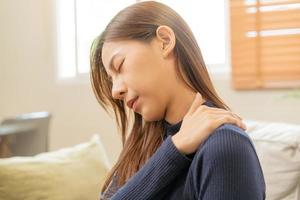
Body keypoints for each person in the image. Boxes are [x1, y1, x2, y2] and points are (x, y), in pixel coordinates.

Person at [90, 1, 266, 199]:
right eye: (111, 79)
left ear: (165, 41)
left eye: (120, 65)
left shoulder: (225, 146)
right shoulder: (144, 148)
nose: (115, 91)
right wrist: (174, 149)